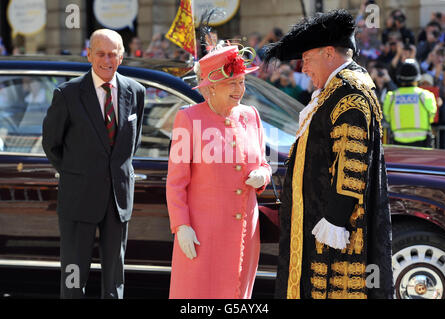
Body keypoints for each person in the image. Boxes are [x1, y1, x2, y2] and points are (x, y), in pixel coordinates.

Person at [263, 9, 393, 299]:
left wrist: (335, 219)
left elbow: (352, 162)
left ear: (329, 53)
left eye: (307, 59)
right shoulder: (334, 90)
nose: (303, 68)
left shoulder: (348, 94)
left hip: (333, 231)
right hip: (317, 221)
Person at [42, 29, 145, 298]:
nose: (107, 60)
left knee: (115, 281)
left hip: (118, 200)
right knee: (74, 280)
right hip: (78, 199)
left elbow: (131, 146)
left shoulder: (136, 92)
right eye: (100, 53)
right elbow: (52, 144)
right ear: (89, 55)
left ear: (122, 57)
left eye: (113, 54)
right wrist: (79, 174)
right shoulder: (68, 94)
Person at [166, 45, 272, 299]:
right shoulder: (188, 119)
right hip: (203, 233)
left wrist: (262, 176)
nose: (240, 90)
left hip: (245, 231)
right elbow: (176, 182)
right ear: (211, 87)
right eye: (232, 83)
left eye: (242, 82)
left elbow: (265, 164)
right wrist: (181, 226)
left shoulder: (251, 116)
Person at [383, 59, 437, 147]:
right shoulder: (425, 95)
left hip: (398, 142)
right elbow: (431, 117)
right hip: (422, 144)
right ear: (417, 78)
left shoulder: (391, 97)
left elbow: (388, 118)